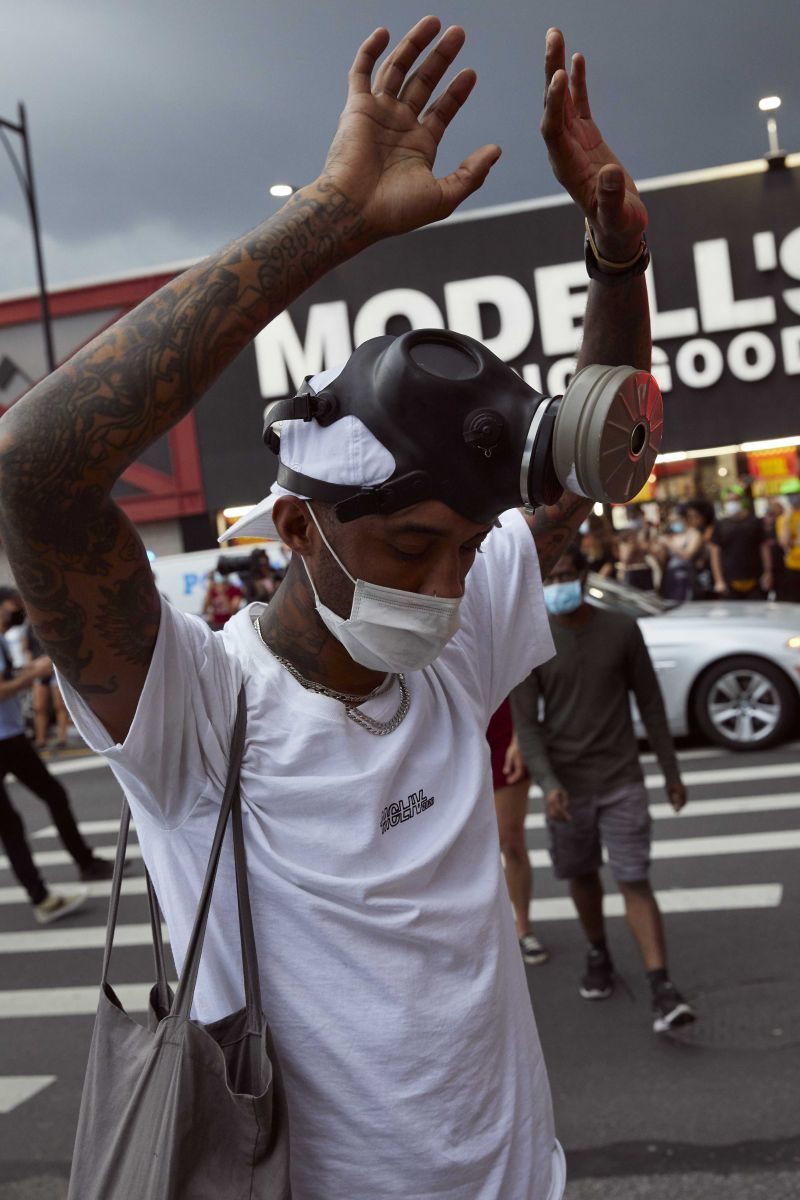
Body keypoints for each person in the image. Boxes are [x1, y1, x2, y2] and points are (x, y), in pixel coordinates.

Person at [0, 21, 653, 1199]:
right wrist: (332, 218)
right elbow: (32, 467)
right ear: (298, 528)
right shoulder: (197, 713)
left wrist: (616, 262)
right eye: (410, 549)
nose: (451, 586)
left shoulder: (451, 643)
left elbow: (594, 463)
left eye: (465, 547)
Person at [510, 545, 695, 1034]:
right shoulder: (532, 641)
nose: (558, 587)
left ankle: (662, 987)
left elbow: (651, 705)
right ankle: (598, 952)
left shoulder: (621, 630)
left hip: (621, 779)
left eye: (566, 575)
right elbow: (526, 724)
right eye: (549, 579)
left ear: (585, 575)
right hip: (567, 788)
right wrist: (547, 782)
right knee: (582, 874)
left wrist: (672, 774)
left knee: (634, 878)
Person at [0, 587, 112, 924]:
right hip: (5, 740)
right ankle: (69, 874)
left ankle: (57, 884)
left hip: (10, 736)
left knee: (16, 820)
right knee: (27, 812)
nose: (16, 614)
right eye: (14, 607)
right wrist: (34, 674)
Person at [487, 699, 548, 965]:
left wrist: (521, 736)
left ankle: (523, 928)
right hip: (454, 728)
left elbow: (526, 670)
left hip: (504, 730)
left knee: (509, 841)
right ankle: (483, 928)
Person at [709, 485, 772, 599]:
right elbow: (715, 553)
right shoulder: (720, 525)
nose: (732, 503)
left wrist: (768, 572)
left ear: (742, 501)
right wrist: (719, 580)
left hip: (755, 579)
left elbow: (764, 548)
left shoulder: (755, 522)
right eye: (728, 501)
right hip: (730, 580)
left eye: (735, 500)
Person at [25, 621, 70, 751]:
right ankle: (40, 739)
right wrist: (32, 667)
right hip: (39, 669)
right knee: (39, 707)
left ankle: (62, 738)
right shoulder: (29, 626)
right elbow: (27, 648)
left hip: (55, 668)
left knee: (60, 706)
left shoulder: (53, 621)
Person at [775, 479, 800, 603]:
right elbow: (784, 542)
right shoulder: (783, 519)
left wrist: (794, 542)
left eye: (796, 493)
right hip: (793, 568)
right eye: (789, 495)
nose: (793, 497)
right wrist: (788, 517)